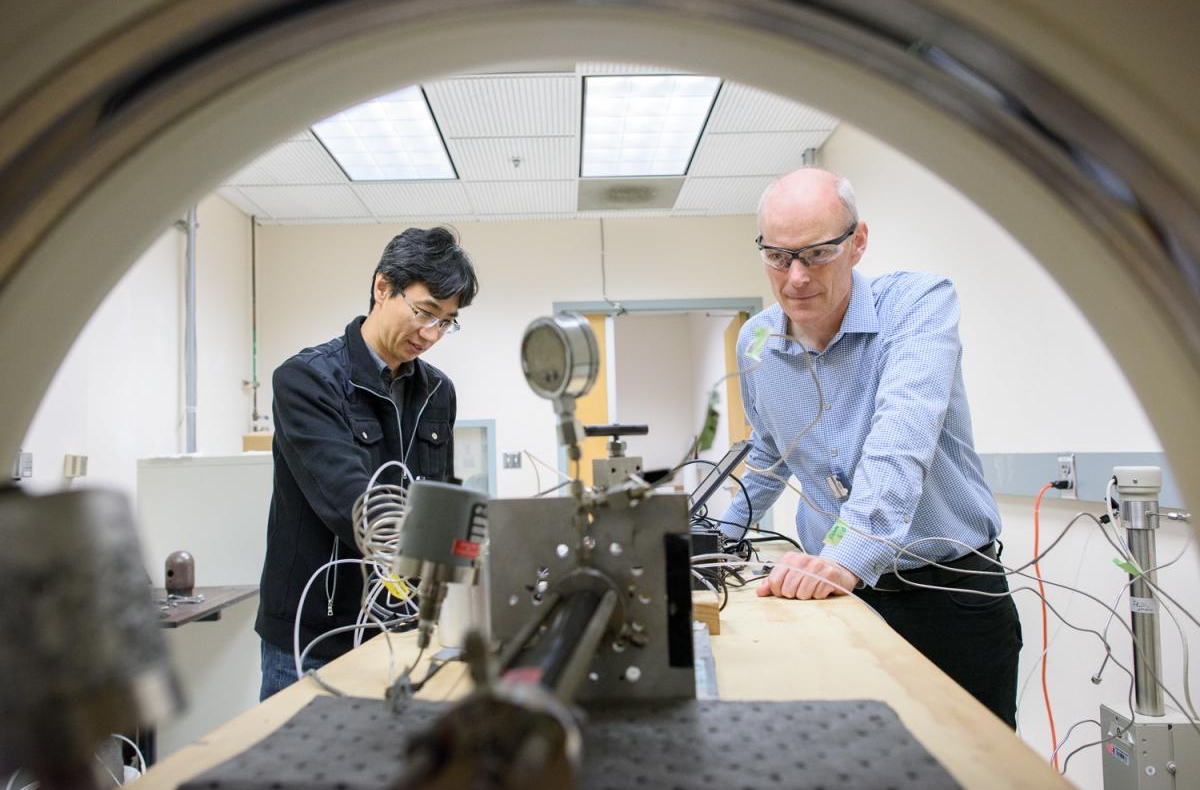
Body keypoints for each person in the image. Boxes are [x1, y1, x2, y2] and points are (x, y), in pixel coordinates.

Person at [721, 168, 1022, 727]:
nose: (795, 278)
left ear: (858, 242)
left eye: (816, 254)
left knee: (974, 766)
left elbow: (900, 440)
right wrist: (714, 540)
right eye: (777, 256)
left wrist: (843, 557)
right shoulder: (757, 340)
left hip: (948, 595)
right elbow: (766, 454)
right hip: (835, 598)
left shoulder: (917, 305)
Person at [255, 226, 479, 700]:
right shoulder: (306, 381)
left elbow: (439, 497)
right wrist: (457, 552)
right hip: (314, 635)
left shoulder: (439, 391)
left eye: (447, 322)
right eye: (424, 312)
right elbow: (354, 503)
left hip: (401, 629)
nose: (431, 333)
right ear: (383, 288)